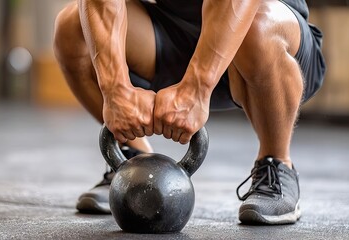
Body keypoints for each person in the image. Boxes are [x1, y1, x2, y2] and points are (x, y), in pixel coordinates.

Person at [53, 0, 325, 225]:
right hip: (173, 37)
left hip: (265, 36)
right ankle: (131, 161)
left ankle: (276, 164)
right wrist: (115, 91)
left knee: (257, 23)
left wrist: (197, 87)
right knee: (71, 26)